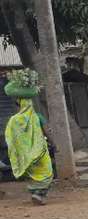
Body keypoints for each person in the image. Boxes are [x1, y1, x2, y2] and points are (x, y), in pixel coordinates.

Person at [4, 70, 53, 205]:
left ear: (18, 103)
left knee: (31, 173)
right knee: (47, 172)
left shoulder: (14, 120)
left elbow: (10, 137)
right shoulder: (37, 116)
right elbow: (47, 132)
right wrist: (54, 144)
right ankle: (39, 194)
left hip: (25, 155)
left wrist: (19, 151)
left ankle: (34, 193)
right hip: (39, 151)